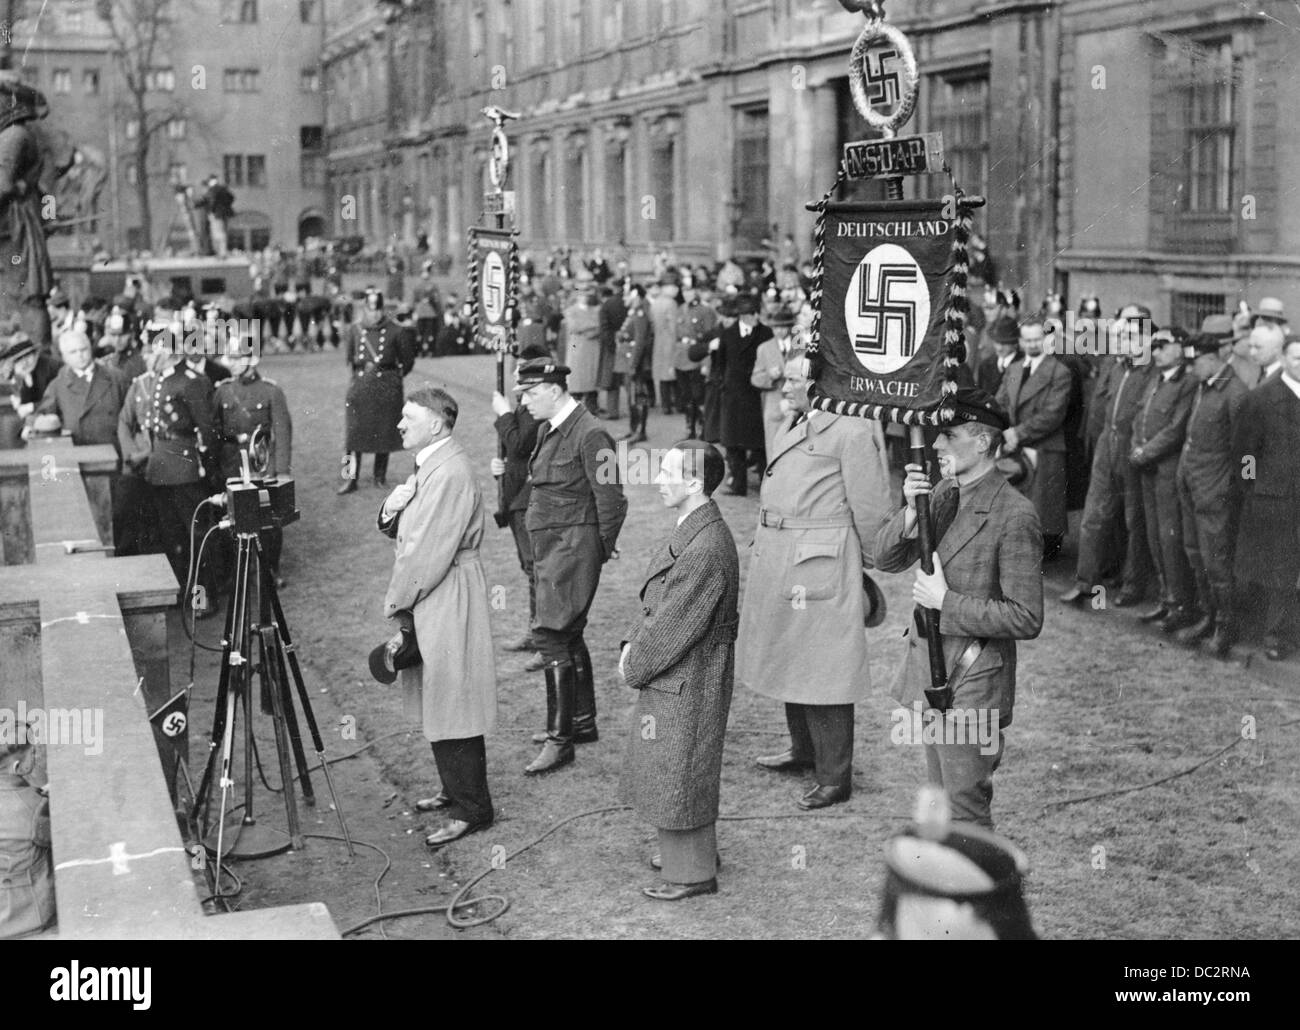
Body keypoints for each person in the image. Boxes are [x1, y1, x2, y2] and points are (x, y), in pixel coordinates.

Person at [874, 387, 1044, 830]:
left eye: (947, 436)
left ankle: (982, 895)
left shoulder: (1014, 514)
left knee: (965, 807)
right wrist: (911, 512)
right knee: (944, 802)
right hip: (934, 674)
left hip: (972, 681)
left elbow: (1026, 616)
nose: (935, 445)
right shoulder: (946, 493)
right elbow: (886, 559)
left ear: (983, 442)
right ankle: (957, 891)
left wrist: (945, 603)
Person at [738, 350, 891, 810]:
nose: (783, 388)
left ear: (820, 385)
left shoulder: (852, 428)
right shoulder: (802, 420)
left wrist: (863, 566)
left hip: (822, 561)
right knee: (791, 655)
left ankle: (834, 776)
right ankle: (803, 750)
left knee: (825, 669)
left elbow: (870, 507)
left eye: (792, 380)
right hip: (784, 555)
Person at [377, 386, 498, 848]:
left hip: (445, 588)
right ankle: (454, 791)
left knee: (453, 694)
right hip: (436, 589)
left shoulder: (448, 472)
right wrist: (391, 505)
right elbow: (404, 528)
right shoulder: (432, 464)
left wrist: (398, 602)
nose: (400, 425)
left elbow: (426, 553)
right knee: (440, 691)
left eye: (409, 417)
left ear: (437, 423)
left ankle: (474, 809)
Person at [620, 440, 738, 901]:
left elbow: (674, 625)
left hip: (691, 675)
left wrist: (635, 663)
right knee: (678, 766)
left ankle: (691, 874)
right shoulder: (696, 528)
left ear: (693, 483)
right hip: (683, 674)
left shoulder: (705, 544)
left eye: (666, 472)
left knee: (682, 768)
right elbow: (659, 604)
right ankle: (691, 856)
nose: (658, 479)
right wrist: (634, 646)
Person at [515, 357, 627, 775]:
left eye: (530, 393)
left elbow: (613, 499)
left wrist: (597, 549)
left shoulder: (591, 431)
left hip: (572, 548)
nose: (525, 402)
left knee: (550, 635)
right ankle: (580, 723)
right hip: (554, 546)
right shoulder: (550, 429)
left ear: (555, 389)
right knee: (568, 633)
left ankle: (560, 740)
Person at [1059, 305, 1154, 608]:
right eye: (1121, 335)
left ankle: (1133, 584)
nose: (1122, 341)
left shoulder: (1152, 373)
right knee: (1094, 515)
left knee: (1133, 520)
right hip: (1106, 445)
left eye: (1130, 336)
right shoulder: (1116, 366)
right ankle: (1085, 581)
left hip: (1132, 449)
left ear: (1146, 339)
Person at [1173, 333, 1248, 656]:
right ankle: (1209, 615)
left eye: (1196, 363)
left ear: (1213, 358)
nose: (1191, 369)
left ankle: (1226, 626)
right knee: (1195, 555)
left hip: (1214, 494)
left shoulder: (1234, 393)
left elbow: (1242, 452)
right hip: (1191, 487)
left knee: (1217, 563)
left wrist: (1226, 490)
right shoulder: (1204, 387)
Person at [1232, 334, 1300, 661]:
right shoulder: (1261, 399)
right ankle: (1273, 635)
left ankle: (1290, 630)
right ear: (1285, 359)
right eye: (1297, 358)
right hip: (1274, 500)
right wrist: (1256, 491)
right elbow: (1245, 456)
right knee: (1277, 570)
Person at [1130, 328, 1198, 633]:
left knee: (1170, 538)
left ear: (1180, 348)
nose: (1155, 352)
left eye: (1162, 346)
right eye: (1153, 346)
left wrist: (1144, 453)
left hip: (1167, 470)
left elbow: (1176, 428)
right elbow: (1138, 419)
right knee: (1156, 537)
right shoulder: (1155, 380)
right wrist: (1136, 447)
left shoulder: (1188, 383)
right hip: (1148, 468)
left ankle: (1182, 603)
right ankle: (1166, 597)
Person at [212, 335, 293, 581]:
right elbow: (215, 430)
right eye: (231, 359)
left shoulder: (271, 391)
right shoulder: (223, 390)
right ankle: (239, 570)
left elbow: (282, 432)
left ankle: (270, 568)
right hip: (232, 462)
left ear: (251, 360)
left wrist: (279, 471)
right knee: (233, 516)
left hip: (261, 462)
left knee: (267, 519)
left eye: (238, 359)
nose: (233, 364)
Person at [490, 342, 549, 674]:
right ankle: (534, 633)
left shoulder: (530, 409)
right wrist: (501, 466)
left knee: (537, 569)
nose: (514, 375)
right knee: (530, 569)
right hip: (516, 493)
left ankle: (543, 639)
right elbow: (516, 451)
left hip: (528, 497)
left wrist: (503, 415)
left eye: (521, 369)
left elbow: (520, 443)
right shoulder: (525, 407)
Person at [995, 314, 1072, 560]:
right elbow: (1000, 404)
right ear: (1020, 340)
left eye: (1037, 339)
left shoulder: (1059, 372)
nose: (1032, 345)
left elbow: (1052, 415)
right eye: (1027, 340)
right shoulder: (1015, 368)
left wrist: (1017, 433)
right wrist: (1000, 431)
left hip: (1044, 448)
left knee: (1042, 514)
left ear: (1047, 339)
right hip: (1014, 445)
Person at [339, 289, 417, 494]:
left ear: (382, 309)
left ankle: (379, 476)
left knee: (383, 434)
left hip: (386, 387)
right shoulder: (355, 330)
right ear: (365, 308)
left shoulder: (396, 330)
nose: (373, 314)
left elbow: (407, 361)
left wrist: (394, 379)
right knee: (352, 436)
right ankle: (349, 478)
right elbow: (351, 359)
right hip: (361, 387)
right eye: (370, 309)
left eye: (377, 309)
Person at [0, 75, 54, 347]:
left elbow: (2, 184)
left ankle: (37, 356)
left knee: (26, 296)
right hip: (11, 228)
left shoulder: (13, 136)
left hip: (15, 229)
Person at [715, 294, 770, 495]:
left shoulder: (766, 333)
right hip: (734, 396)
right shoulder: (728, 334)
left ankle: (767, 486)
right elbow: (720, 364)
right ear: (742, 316)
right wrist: (724, 385)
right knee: (733, 444)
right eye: (751, 314)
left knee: (759, 445)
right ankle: (738, 484)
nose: (756, 317)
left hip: (757, 396)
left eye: (756, 313)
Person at [0, 740, 55, 939]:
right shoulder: (33, 806)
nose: (35, 757)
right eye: (32, 754)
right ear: (17, 767)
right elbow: (54, 837)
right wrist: (50, 800)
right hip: (26, 917)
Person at [749, 305, 797, 457]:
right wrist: (770, 376)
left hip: (796, 404)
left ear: (790, 327)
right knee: (773, 450)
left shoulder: (802, 346)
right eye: (776, 328)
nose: (779, 331)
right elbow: (755, 378)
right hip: (773, 405)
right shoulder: (764, 348)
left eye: (783, 327)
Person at [675, 280, 714, 438]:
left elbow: (709, 339)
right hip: (681, 357)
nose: (686, 294)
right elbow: (677, 335)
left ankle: (703, 430)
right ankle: (689, 428)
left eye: (689, 290)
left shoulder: (705, 311)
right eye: (684, 291)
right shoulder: (681, 309)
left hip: (697, 358)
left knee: (699, 397)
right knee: (686, 396)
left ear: (696, 291)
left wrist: (706, 363)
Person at [616, 282, 653, 444]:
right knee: (632, 396)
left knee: (638, 396)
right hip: (628, 359)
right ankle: (633, 429)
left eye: (627, 295)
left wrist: (633, 364)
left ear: (636, 296)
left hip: (635, 361)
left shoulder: (639, 314)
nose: (624, 298)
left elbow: (639, 342)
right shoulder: (633, 313)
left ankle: (639, 431)